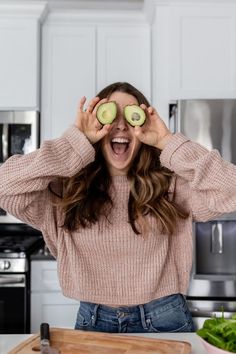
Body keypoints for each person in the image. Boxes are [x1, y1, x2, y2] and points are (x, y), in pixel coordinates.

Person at [0, 82, 236, 334]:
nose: (121, 124)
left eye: (131, 116)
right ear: (95, 126)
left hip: (165, 318)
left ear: (143, 126)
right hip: (94, 319)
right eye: (111, 114)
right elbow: (5, 185)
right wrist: (73, 144)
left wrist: (168, 142)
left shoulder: (172, 185)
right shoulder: (66, 189)